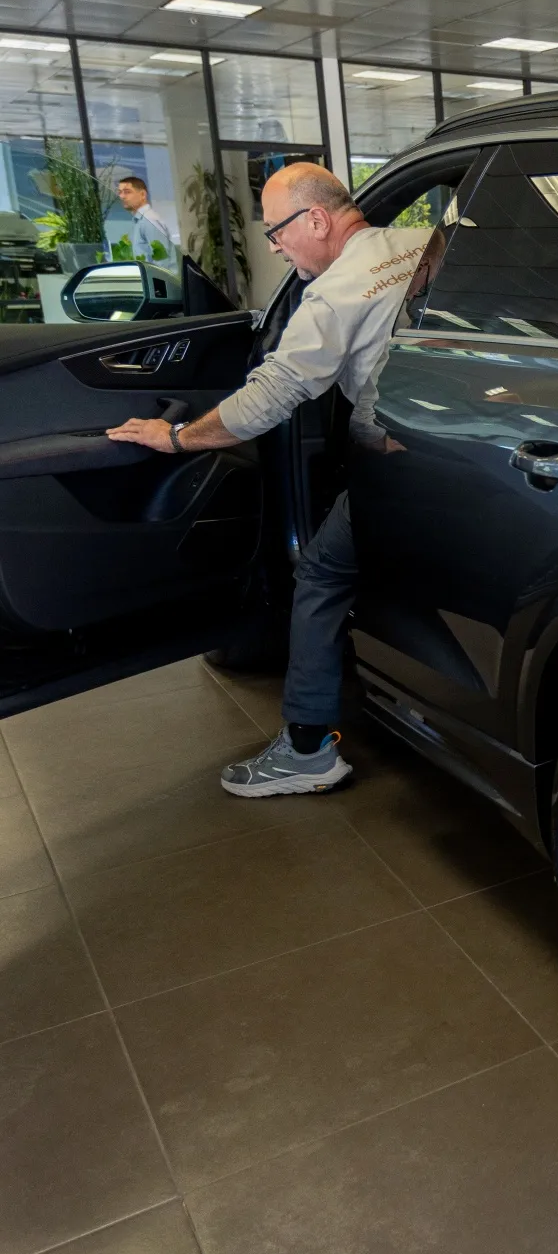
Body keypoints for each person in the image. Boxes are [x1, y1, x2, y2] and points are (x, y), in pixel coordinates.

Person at [107, 163, 435, 797]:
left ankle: (309, 748)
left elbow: (272, 396)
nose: (276, 247)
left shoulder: (335, 292)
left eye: (278, 231)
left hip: (400, 472)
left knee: (321, 570)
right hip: (465, 458)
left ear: (317, 219)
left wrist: (176, 437)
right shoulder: (419, 245)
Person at [114, 176, 179, 257]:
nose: (122, 196)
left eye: (127, 192)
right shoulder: (139, 221)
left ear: (143, 194)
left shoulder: (149, 220)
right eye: (120, 192)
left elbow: (162, 260)